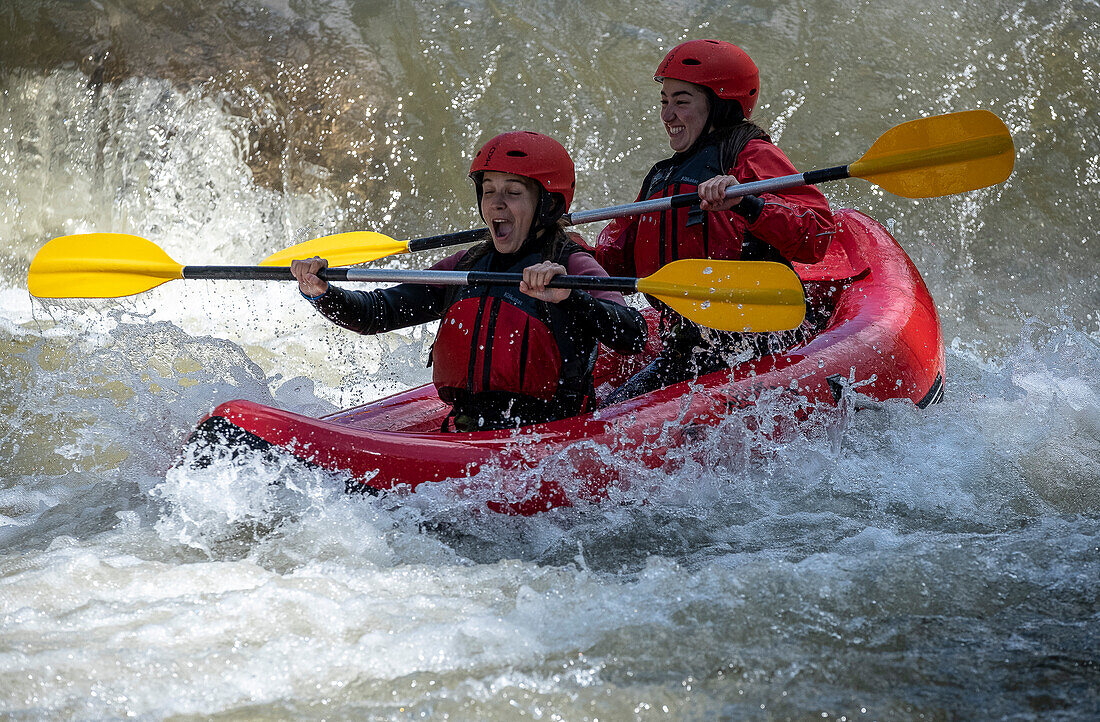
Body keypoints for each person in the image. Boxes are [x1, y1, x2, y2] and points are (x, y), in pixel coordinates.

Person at [291, 131, 647, 431]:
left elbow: (633, 334)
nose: (496, 204)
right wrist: (322, 292)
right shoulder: (466, 265)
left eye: (513, 192)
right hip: (468, 426)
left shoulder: (572, 264)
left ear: (548, 204)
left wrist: (569, 297)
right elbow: (378, 313)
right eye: (488, 190)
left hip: (547, 436)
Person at [597, 39, 836, 403]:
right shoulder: (662, 177)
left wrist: (748, 203)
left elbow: (817, 234)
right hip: (688, 344)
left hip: (760, 339)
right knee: (611, 409)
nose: (667, 115)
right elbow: (617, 262)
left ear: (719, 104)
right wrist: (561, 256)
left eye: (681, 101)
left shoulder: (749, 155)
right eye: (664, 101)